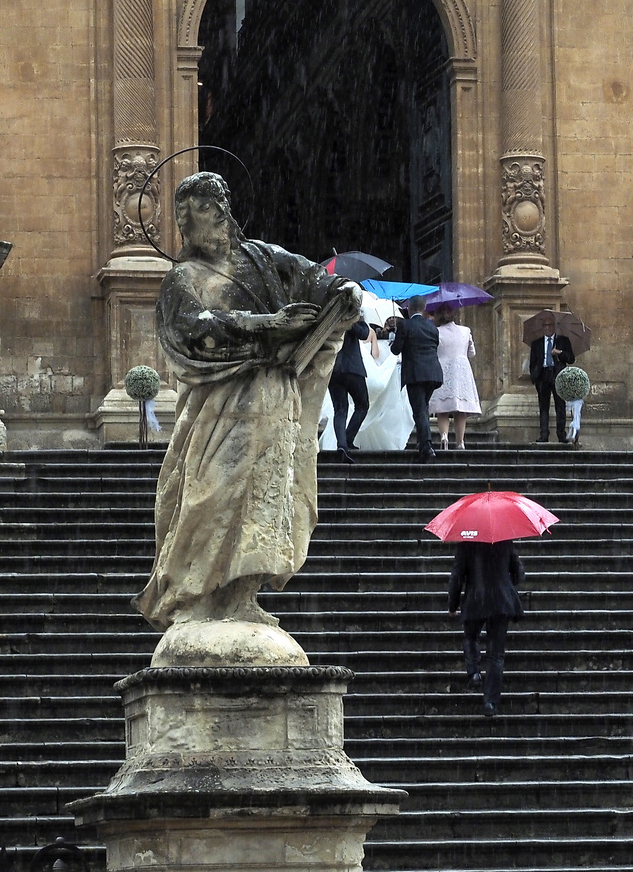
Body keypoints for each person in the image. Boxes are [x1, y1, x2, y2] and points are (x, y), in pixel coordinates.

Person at [137, 172, 361, 638]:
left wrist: (343, 294)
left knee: (266, 498)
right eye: (187, 213)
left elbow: (314, 278)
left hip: (274, 398)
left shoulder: (261, 257)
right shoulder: (184, 276)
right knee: (209, 493)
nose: (195, 220)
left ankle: (243, 596)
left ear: (223, 212)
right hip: (220, 404)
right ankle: (196, 598)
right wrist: (261, 324)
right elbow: (190, 328)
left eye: (202, 208)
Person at [447, 539, 524, 718]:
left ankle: (474, 672)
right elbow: (519, 573)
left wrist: (452, 605)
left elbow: (456, 577)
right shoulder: (504, 541)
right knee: (496, 654)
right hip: (500, 601)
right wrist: (504, 581)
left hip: (476, 599)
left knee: (471, 637)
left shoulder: (465, 543)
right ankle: (490, 702)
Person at [388, 299, 444, 462]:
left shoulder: (405, 325)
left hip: (415, 373)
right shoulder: (432, 328)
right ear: (424, 308)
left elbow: (395, 349)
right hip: (433, 373)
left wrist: (396, 335)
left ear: (409, 309)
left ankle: (427, 446)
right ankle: (422, 442)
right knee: (423, 408)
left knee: (419, 410)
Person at [428, 303, 480, 451]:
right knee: (460, 409)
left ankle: (444, 436)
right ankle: (460, 441)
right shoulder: (465, 331)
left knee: (442, 407)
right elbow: (472, 353)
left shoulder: (435, 331)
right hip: (461, 369)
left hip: (442, 367)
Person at [328, 316, 374, 462]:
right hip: (353, 369)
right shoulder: (353, 320)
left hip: (334, 369)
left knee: (340, 409)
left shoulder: (330, 318)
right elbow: (364, 333)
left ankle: (343, 443)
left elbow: (364, 334)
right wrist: (353, 320)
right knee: (362, 405)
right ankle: (347, 440)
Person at [528, 327, 575, 443]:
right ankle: (544, 435)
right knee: (543, 407)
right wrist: (535, 377)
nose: (548, 328)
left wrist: (560, 352)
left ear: (554, 327)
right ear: (543, 327)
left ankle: (561, 434)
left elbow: (571, 359)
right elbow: (532, 362)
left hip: (557, 374)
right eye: (545, 325)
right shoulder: (536, 343)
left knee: (560, 406)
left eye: (550, 325)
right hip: (543, 375)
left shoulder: (563, 341)